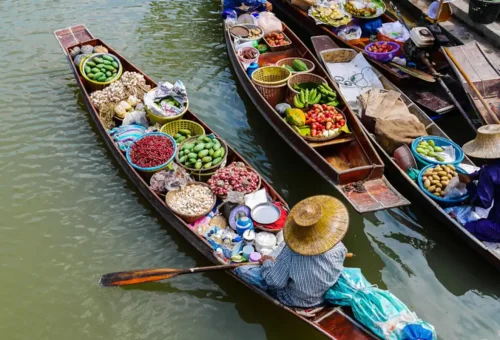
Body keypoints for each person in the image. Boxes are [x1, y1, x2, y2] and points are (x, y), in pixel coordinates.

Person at [237, 195, 349, 308]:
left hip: (294, 299)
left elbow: (275, 282)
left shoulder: (292, 252)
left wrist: (267, 262)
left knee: (241, 270)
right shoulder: (339, 246)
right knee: (283, 246)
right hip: (321, 295)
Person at [458, 124, 500, 242]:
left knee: (471, 227)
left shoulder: (489, 172)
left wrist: (468, 184)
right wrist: (473, 176)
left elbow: (483, 202)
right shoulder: (489, 170)